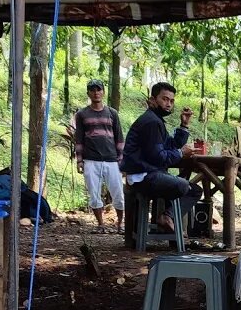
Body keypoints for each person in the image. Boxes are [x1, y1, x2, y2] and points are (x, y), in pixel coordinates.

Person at [120, 82, 202, 232]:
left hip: (149, 173)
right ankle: (167, 217)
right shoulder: (151, 122)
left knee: (193, 189)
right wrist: (181, 153)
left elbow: (171, 144)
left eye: (171, 101)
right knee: (185, 186)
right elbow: (158, 157)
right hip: (143, 176)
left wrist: (184, 125)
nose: (168, 104)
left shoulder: (155, 120)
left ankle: (167, 217)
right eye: (164, 99)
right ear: (152, 100)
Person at [73, 80, 125, 232]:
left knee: (118, 193)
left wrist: (121, 159)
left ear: (103, 92)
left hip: (111, 159)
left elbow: (119, 136)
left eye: (99, 89)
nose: (96, 92)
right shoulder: (82, 114)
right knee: (94, 194)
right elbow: (79, 138)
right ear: (88, 93)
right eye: (92, 90)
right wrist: (79, 160)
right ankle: (101, 224)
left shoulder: (112, 113)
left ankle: (120, 224)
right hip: (91, 159)